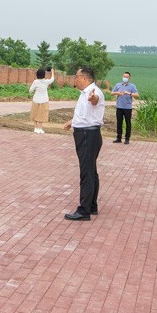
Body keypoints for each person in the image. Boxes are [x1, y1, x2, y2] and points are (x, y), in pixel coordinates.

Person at [62, 67, 104, 221]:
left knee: (86, 172)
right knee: (91, 170)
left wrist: (93, 98)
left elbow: (95, 100)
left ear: (85, 78)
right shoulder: (84, 93)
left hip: (88, 135)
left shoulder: (94, 92)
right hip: (87, 134)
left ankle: (84, 210)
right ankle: (92, 206)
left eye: (77, 77)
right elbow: (85, 114)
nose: (75, 80)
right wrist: (72, 121)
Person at [111, 71, 140, 144]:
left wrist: (129, 93)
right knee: (119, 123)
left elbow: (137, 96)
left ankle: (127, 139)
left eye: (127, 77)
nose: (125, 78)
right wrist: (118, 93)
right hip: (119, 107)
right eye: (124, 76)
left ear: (129, 78)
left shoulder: (132, 86)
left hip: (128, 108)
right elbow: (112, 93)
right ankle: (118, 138)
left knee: (128, 123)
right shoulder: (118, 85)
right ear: (122, 76)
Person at [28, 67, 54, 135]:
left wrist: (34, 91)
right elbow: (52, 79)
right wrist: (52, 71)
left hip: (36, 100)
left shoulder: (35, 82)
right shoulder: (46, 82)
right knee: (41, 114)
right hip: (44, 100)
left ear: (37, 75)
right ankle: (40, 128)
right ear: (44, 75)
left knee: (35, 113)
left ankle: (36, 128)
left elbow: (30, 90)